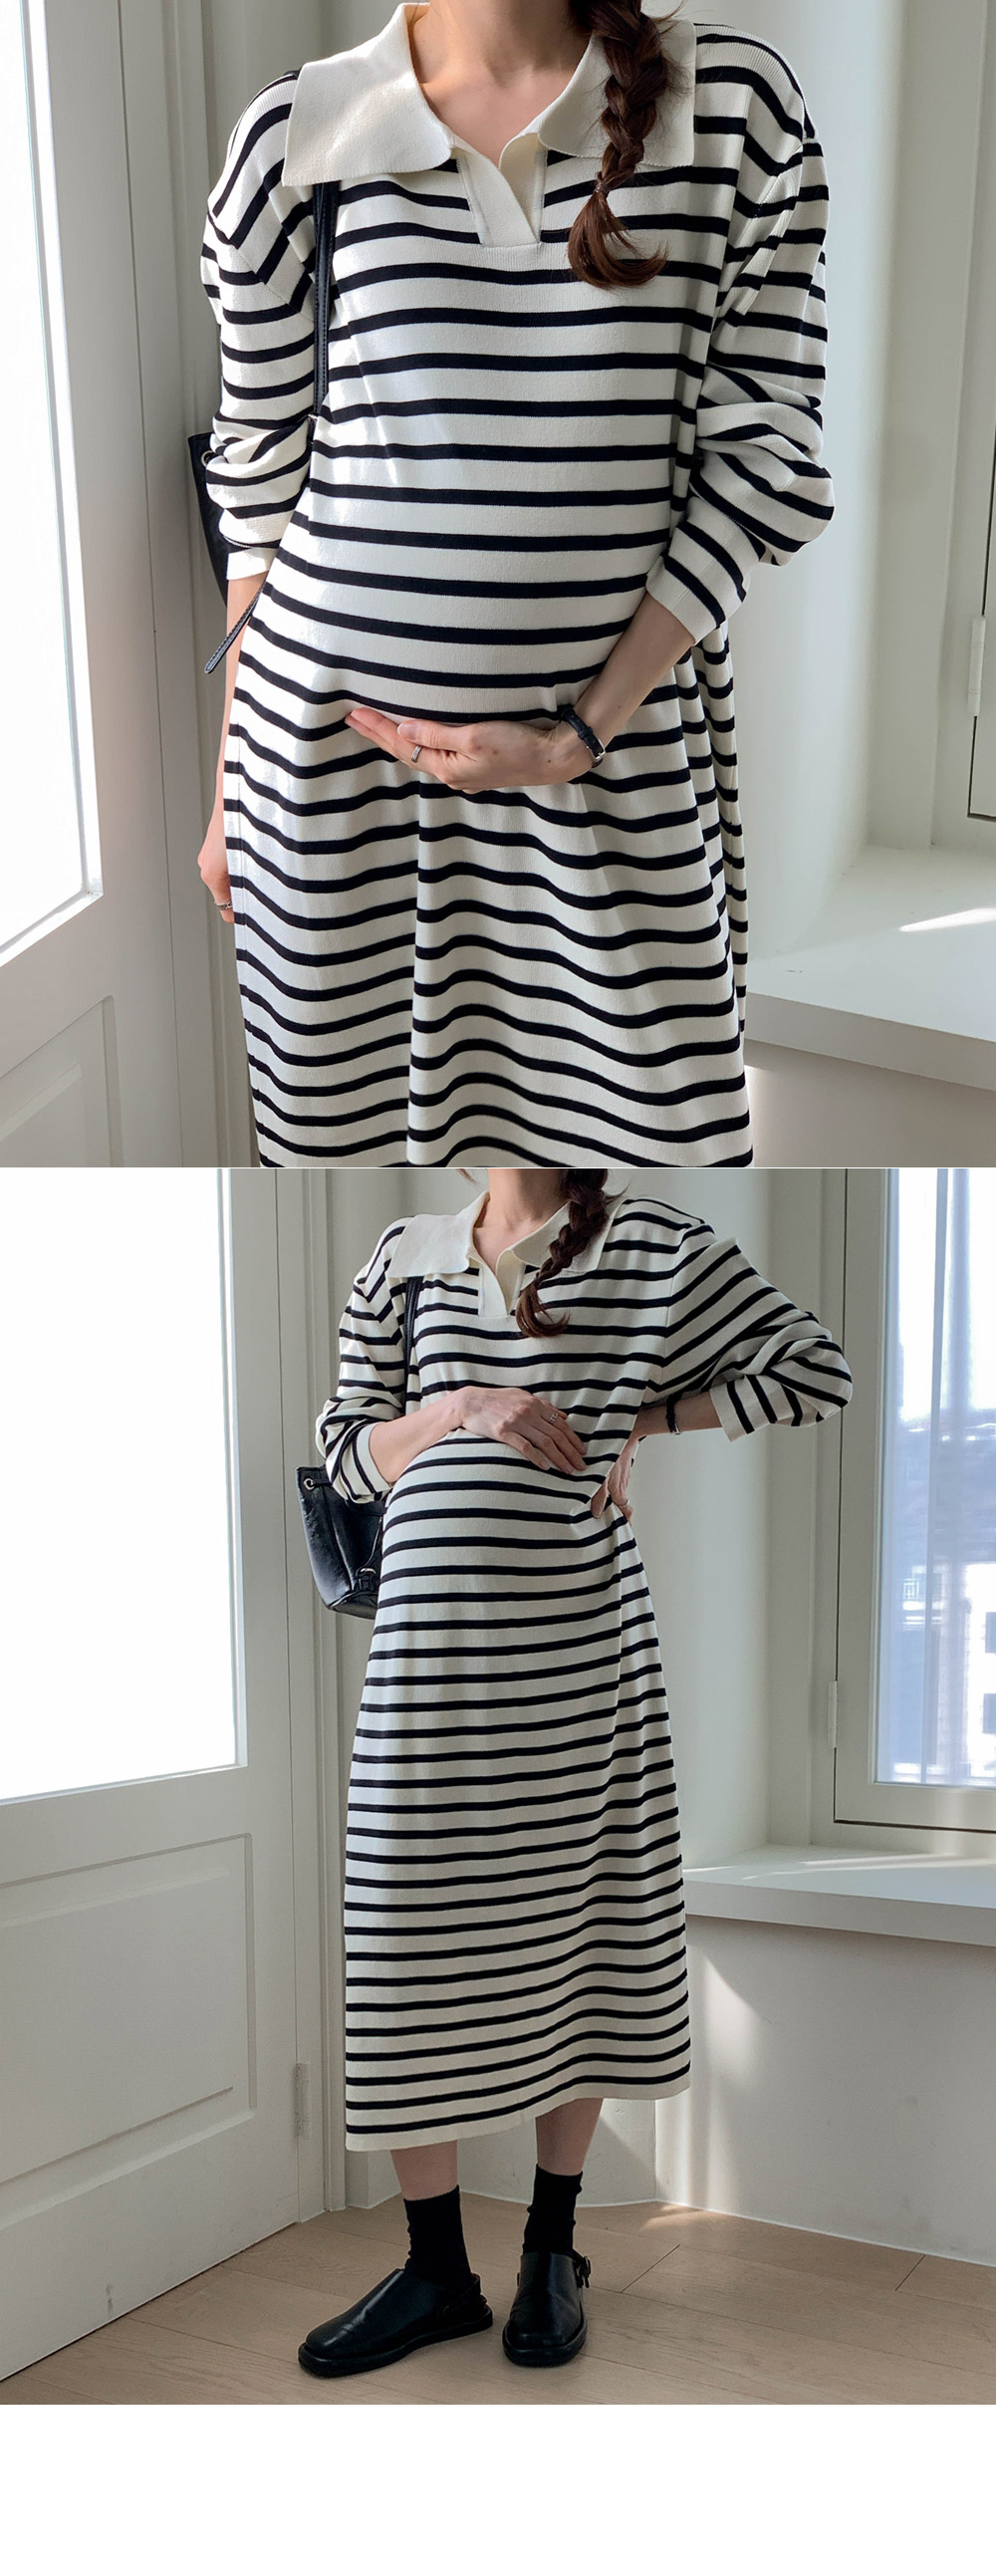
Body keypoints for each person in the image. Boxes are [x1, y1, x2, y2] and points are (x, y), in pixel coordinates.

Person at [196, 3, 833, 1170]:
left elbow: (766, 464)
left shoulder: (733, 107)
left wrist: (577, 734)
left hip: (613, 780)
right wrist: (230, 788)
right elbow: (257, 488)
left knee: (659, 1131)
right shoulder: (294, 133)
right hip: (334, 791)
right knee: (343, 1135)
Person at [297, 1166, 852, 2375]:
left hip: (577, 1651)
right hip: (425, 1663)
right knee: (404, 1944)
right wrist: (464, 1406)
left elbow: (812, 1370)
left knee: (581, 1928)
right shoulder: (405, 1254)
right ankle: (435, 2269)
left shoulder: (651, 1240)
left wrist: (637, 1423)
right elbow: (344, 1455)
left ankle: (552, 2247)